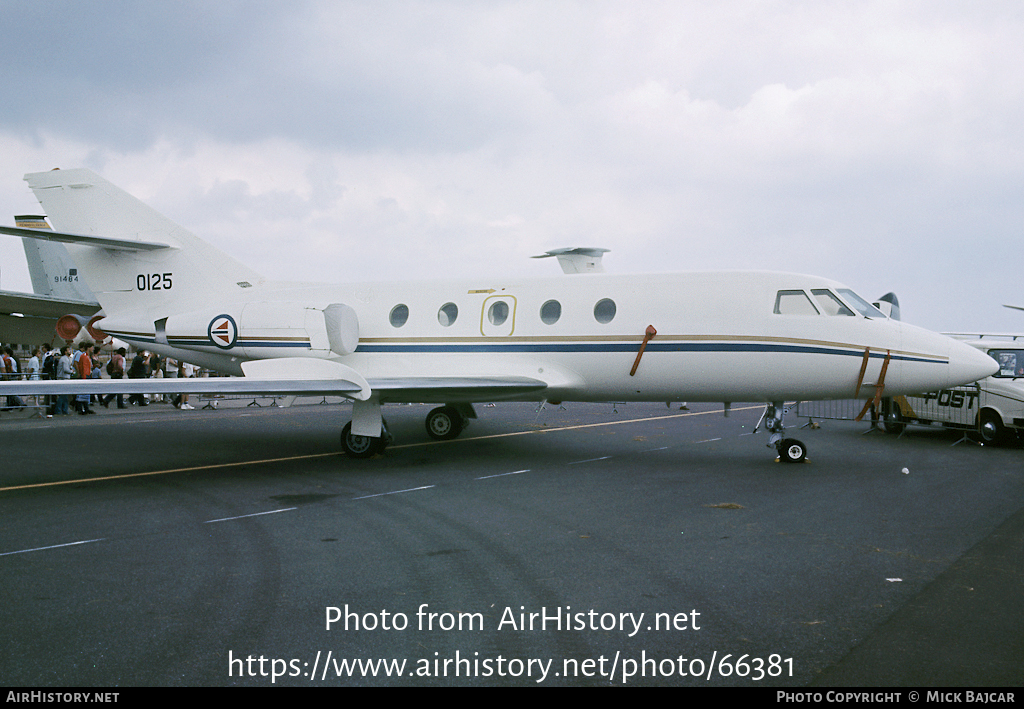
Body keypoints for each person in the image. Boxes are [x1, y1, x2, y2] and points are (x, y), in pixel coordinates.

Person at [74, 342, 96, 414]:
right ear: (88, 348)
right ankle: (80, 409)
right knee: (82, 392)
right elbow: (83, 367)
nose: (93, 349)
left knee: (86, 393)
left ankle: (86, 408)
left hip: (88, 374)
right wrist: (84, 376)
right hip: (85, 375)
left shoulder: (88, 356)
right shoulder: (84, 356)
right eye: (92, 347)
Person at [55, 345, 74, 415]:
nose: (70, 351)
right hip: (64, 378)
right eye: (68, 350)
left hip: (63, 378)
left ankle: (64, 410)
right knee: (63, 396)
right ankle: (59, 410)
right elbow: (66, 369)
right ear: (65, 352)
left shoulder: (64, 358)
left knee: (65, 396)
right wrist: (71, 371)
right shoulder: (65, 359)